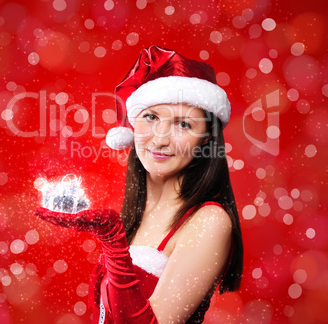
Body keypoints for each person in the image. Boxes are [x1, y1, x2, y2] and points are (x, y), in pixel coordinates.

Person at [35, 45, 243, 323]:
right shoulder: (136, 213)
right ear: (133, 125)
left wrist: (113, 242)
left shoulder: (209, 221)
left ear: (205, 139)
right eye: (151, 117)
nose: (159, 140)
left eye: (183, 125)